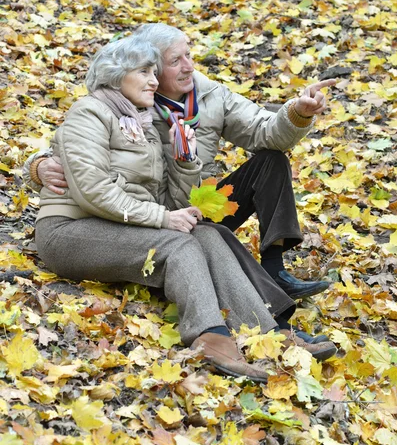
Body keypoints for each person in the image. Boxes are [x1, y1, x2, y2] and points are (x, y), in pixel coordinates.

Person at [34, 36, 337, 382]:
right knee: (180, 244)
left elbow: (166, 195)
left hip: (123, 225)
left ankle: (271, 332)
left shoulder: (143, 122)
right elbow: (92, 189)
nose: (153, 79)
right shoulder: (90, 112)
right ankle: (210, 335)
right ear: (117, 75)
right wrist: (38, 164)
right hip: (70, 231)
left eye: (153, 71)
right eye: (145, 71)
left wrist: (186, 161)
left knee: (210, 234)